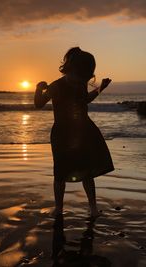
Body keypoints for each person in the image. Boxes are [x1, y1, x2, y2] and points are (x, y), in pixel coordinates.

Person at [34, 47, 114, 219]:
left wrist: (101, 88)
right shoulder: (58, 85)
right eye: (84, 73)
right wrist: (38, 89)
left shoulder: (73, 85)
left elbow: (85, 100)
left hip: (76, 131)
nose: (84, 78)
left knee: (76, 172)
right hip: (71, 132)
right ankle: (68, 208)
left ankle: (85, 209)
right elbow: (40, 103)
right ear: (76, 69)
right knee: (69, 172)